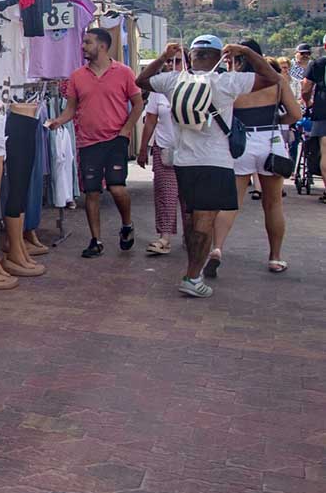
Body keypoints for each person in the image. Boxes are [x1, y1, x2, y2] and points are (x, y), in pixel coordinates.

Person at [138, 36, 281, 298]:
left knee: (194, 220)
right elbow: (272, 77)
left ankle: (195, 272)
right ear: (219, 58)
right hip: (216, 162)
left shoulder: (174, 80)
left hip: (184, 162)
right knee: (204, 222)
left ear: (191, 56)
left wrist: (162, 58)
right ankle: (192, 277)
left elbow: (142, 81)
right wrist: (246, 52)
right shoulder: (226, 81)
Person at [45, 27, 143, 258]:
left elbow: (138, 104)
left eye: (87, 42)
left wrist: (126, 131)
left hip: (115, 139)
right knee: (92, 192)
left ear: (102, 46)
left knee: (118, 188)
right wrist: (57, 121)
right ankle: (96, 240)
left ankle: (127, 225)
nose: (83, 46)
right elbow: (70, 109)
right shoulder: (77, 76)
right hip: (88, 142)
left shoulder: (124, 72)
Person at [208, 45, 300, 274]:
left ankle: (217, 248)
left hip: (241, 141)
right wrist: (278, 120)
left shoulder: (233, 82)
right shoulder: (276, 81)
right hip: (271, 140)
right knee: (273, 203)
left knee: (231, 203)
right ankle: (275, 257)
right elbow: (295, 114)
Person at [136, 52, 184, 255]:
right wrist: (143, 149)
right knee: (165, 195)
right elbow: (151, 121)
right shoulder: (159, 89)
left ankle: (192, 236)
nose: (173, 65)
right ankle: (164, 237)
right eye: (169, 61)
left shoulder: (195, 84)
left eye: (178, 61)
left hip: (192, 151)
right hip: (165, 149)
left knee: (190, 198)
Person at [301, 34, 326, 203]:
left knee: (325, 152)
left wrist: (309, 103)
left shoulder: (317, 64)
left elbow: (305, 88)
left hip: (323, 111)